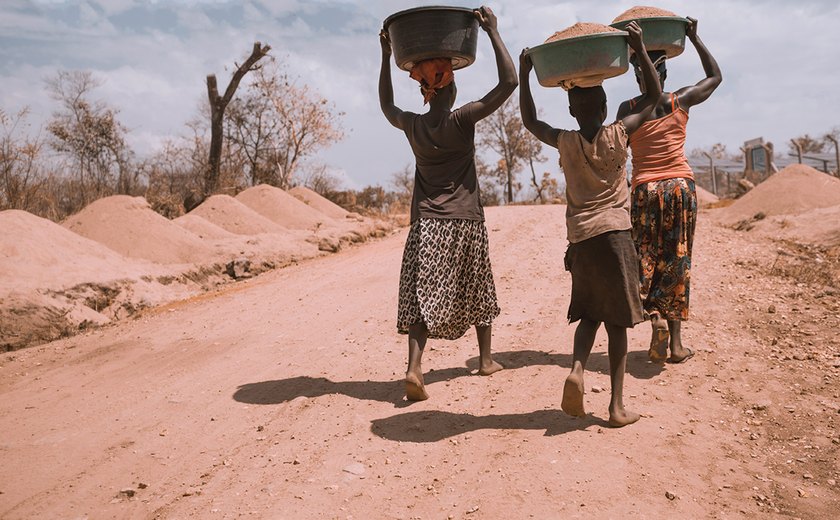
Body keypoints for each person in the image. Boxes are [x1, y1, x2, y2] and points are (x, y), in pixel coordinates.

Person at [519, 22, 660, 427]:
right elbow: (651, 96)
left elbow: (529, 121)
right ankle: (615, 407)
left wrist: (527, 75)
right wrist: (638, 48)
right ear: (603, 108)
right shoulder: (620, 133)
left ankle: (578, 369)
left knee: (588, 314)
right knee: (617, 323)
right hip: (616, 235)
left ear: (571, 110)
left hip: (581, 240)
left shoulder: (564, 140)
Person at [379, 6, 517, 401]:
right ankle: (486, 359)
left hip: (427, 224)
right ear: (449, 90)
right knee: (479, 289)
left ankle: (414, 368)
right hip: (465, 221)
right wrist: (492, 31)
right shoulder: (463, 119)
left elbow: (386, 106)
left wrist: (385, 56)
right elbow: (508, 83)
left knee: (425, 295)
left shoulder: (414, 124)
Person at [615, 17, 722, 364]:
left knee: (645, 260)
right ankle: (676, 345)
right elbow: (715, 77)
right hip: (680, 187)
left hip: (646, 189)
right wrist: (694, 36)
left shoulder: (627, 110)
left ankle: (655, 319)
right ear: (664, 74)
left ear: (637, 73)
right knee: (678, 260)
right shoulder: (681, 100)